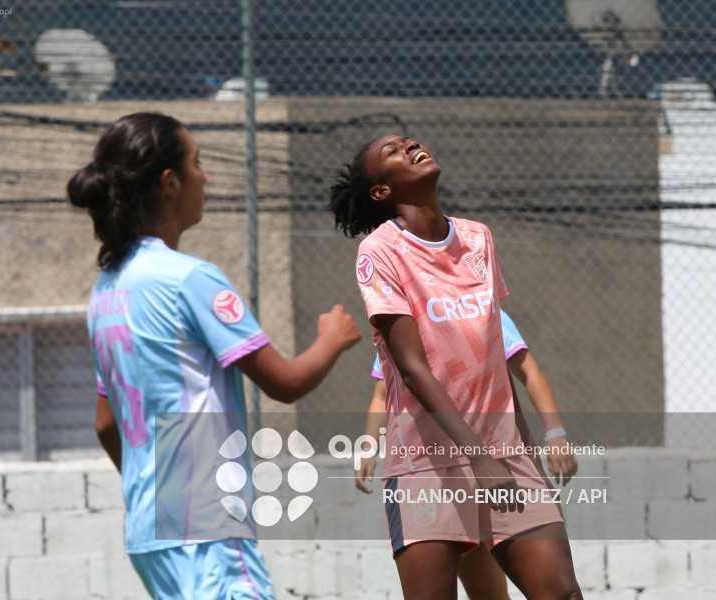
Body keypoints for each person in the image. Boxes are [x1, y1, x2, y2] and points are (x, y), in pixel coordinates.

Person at [67, 112, 361, 600]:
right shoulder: (189, 279)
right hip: (205, 522)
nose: (205, 176)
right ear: (170, 182)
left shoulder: (106, 292)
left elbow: (105, 424)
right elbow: (285, 382)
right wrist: (331, 339)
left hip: (148, 530)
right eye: (197, 163)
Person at [329, 134, 583, 600]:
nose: (409, 145)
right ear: (382, 191)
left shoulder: (478, 237)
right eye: (392, 151)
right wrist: (477, 456)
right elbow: (410, 369)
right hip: (426, 464)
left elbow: (494, 360)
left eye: (408, 141)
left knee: (561, 593)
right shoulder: (379, 252)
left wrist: (526, 451)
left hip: (503, 454)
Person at [356, 310, 577, 600]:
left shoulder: (485, 312)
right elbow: (381, 394)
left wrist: (555, 434)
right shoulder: (402, 325)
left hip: (496, 465)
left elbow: (529, 372)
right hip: (434, 472)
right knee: (484, 594)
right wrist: (368, 447)